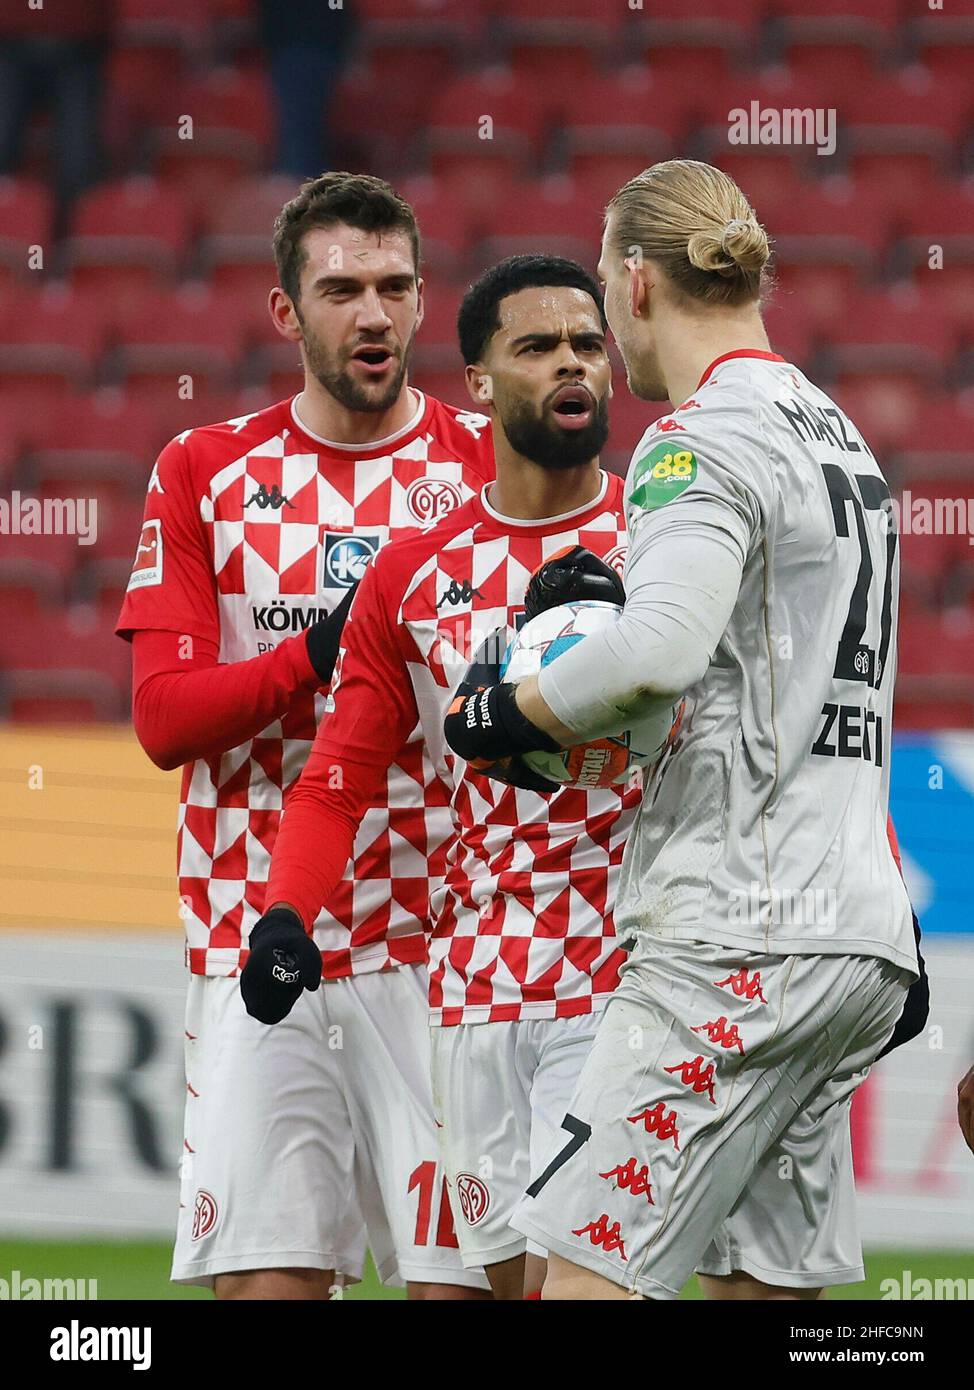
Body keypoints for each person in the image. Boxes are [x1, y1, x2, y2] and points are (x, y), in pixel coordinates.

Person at [444, 160, 920, 1300]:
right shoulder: (837, 434)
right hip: (852, 940)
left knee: (578, 1283)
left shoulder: (690, 440)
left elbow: (655, 652)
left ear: (638, 282)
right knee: (764, 1291)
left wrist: (502, 711)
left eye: (607, 292)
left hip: (733, 938)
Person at [247, 255, 657, 1299]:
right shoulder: (411, 573)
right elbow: (339, 778)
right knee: (485, 1291)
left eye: (584, 343)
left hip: (624, 977)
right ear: (475, 380)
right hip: (473, 987)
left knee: (584, 1283)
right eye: (535, 346)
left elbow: (762, 738)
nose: (571, 363)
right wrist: (285, 912)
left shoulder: (663, 539)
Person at [117, 172, 494, 1300]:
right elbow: (162, 718)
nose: (369, 314)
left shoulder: (486, 464)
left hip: (444, 945)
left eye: (391, 287)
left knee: (460, 1287)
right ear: (287, 313)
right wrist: (316, 655)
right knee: (265, 1288)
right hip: (259, 940)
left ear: (424, 302)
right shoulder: (205, 471)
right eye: (340, 289)